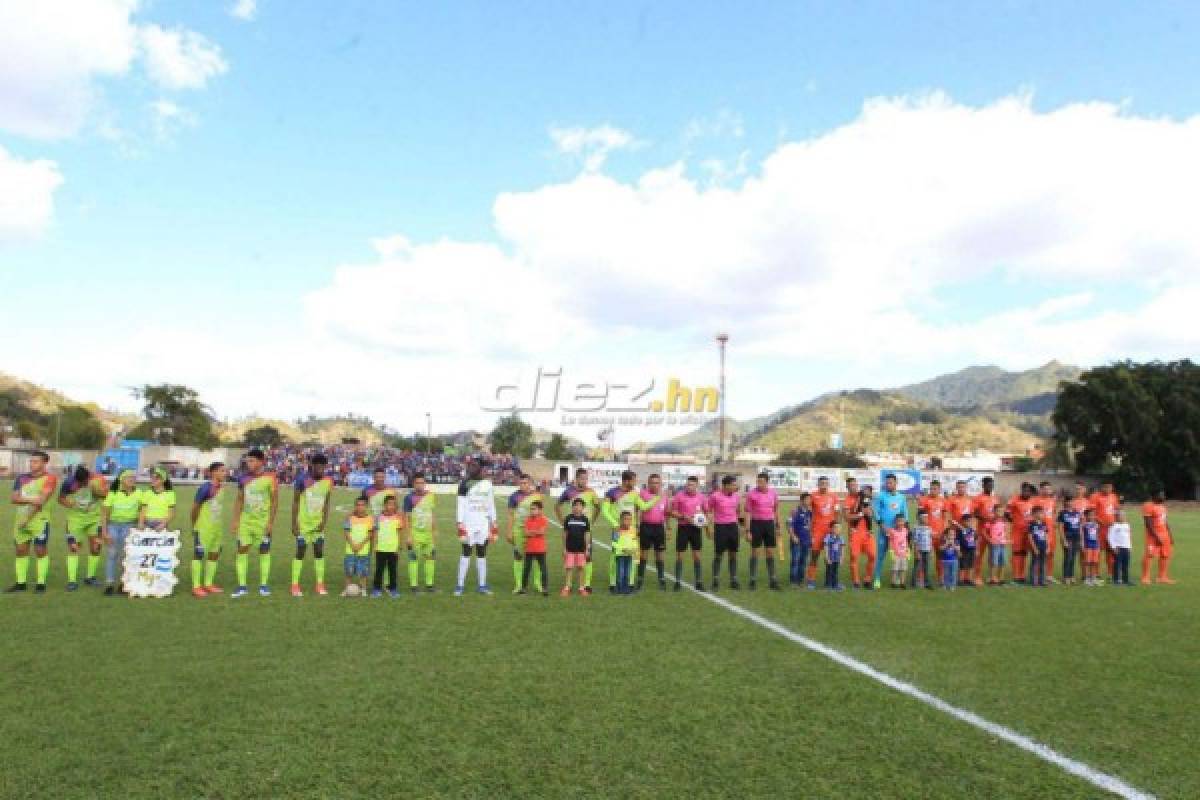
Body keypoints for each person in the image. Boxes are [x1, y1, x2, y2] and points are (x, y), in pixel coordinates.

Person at [231, 449, 279, 598]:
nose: (248, 463)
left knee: (264, 551)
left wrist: (271, 522)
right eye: (247, 460)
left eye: (252, 460)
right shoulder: (243, 478)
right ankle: (242, 586)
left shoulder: (270, 478)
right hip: (246, 522)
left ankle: (263, 586)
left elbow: (274, 501)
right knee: (242, 550)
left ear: (261, 461)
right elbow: (239, 499)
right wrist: (235, 520)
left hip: (263, 522)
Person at [8, 451, 59, 593]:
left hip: (39, 520)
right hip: (20, 520)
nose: (32, 464)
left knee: (40, 550)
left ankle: (41, 584)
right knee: (20, 550)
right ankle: (20, 583)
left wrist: (27, 518)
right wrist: (31, 499)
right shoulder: (21, 478)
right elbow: (13, 498)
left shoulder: (50, 479)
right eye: (31, 461)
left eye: (36, 461)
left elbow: (41, 501)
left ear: (44, 463)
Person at [601, 471, 655, 593]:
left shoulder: (634, 493)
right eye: (633, 480)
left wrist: (657, 498)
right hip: (617, 531)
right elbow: (605, 510)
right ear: (626, 481)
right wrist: (615, 524)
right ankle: (613, 584)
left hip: (632, 531)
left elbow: (644, 507)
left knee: (632, 557)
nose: (635, 483)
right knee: (615, 557)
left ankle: (630, 584)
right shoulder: (612, 492)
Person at [57, 465, 107, 590]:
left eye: (84, 482)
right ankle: (72, 581)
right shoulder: (69, 482)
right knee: (74, 548)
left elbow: (107, 495)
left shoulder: (98, 479)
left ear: (89, 477)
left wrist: (98, 491)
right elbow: (60, 499)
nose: (82, 484)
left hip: (94, 519)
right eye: (80, 482)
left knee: (96, 547)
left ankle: (90, 577)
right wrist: (71, 504)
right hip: (75, 520)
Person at [290, 454, 333, 597]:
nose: (320, 468)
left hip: (318, 525)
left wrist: (324, 522)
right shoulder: (302, 480)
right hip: (303, 524)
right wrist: (294, 523)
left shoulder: (328, 481)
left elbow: (327, 502)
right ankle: (295, 585)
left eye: (323, 466)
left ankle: (320, 584)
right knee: (300, 552)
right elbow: (295, 502)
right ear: (312, 466)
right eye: (317, 465)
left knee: (319, 552)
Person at [556, 468, 601, 594]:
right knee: (570, 558)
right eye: (582, 478)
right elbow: (557, 505)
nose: (584, 481)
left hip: (586, 530)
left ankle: (586, 584)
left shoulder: (591, 492)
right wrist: (562, 521)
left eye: (586, 478)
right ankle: (568, 585)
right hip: (572, 530)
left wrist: (592, 521)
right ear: (576, 479)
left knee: (587, 556)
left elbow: (598, 507)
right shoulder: (569, 491)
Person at [456, 460, 498, 596]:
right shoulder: (464, 484)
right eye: (470, 466)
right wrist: (459, 523)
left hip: (483, 524)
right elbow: (460, 505)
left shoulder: (487, 484)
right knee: (466, 553)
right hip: (468, 524)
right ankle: (460, 585)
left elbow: (491, 504)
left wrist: (494, 523)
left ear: (480, 468)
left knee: (482, 553)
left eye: (474, 466)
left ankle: (482, 585)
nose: (471, 468)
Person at [189, 462, 228, 597]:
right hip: (204, 528)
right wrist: (195, 525)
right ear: (214, 472)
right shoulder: (205, 488)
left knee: (214, 554)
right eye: (222, 471)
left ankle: (208, 583)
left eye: (225, 471)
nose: (225, 473)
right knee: (199, 555)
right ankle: (196, 586)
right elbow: (195, 508)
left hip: (217, 528)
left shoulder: (222, 487)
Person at [100, 469, 141, 596]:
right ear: (121, 480)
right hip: (113, 526)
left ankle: (124, 584)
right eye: (128, 477)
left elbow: (142, 510)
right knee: (112, 554)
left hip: (130, 526)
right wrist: (104, 531)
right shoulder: (113, 493)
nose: (132, 479)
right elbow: (104, 514)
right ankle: (109, 584)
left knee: (126, 556)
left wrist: (140, 524)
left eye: (133, 477)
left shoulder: (139, 493)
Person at [668, 475, 708, 591]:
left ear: (697, 485)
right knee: (680, 556)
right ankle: (677, 582)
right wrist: (684, 516)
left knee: (697, 556)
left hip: (696, 529)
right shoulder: (679, 496)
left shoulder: (702, 497)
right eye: (688, 484)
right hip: (683, 528)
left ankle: (698, 582)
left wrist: (703, 521)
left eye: (692, 485)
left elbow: (707, 512)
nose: (689, 487)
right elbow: (672, 512)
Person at [507, 474, 545, 594]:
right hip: (519, 531)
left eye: (526, 483)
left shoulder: (537, 496)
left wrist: (541, 527)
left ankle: (537, 583)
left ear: (530, 483)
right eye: (521, 483)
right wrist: (509, 531)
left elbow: (541, 513)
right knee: (518, 556)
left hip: (534, 531)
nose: (523, 485)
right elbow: (510, 515)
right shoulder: (513, 496)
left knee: (537, 558)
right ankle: (519, 585)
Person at [743, 472, 782, 590]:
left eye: (761, 482)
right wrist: (748, 530)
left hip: (769, 524)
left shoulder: (773, 494)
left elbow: (776, 510)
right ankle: (752, 580)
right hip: (756, 524)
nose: (759, 484)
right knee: (755, 552)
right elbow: (747, 512)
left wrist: (778, 526)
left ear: (767, 482)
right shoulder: (751, 494)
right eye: (757, 481)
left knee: (770, 552)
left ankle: (773, 580)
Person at [871, 474, 909, 590]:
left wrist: (905, 529)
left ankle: (897, 579)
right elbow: (875, 511)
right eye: (887, 483)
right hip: (884, 531)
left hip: (898, 534)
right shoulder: (880, 496)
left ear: (896, 483)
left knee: (899, 555)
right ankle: (877, 579)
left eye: (891, 482)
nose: (888, 485)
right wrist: (882, 525)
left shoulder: (901, 497)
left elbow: (905, 513)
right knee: (880, 556)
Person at [403, 473, 437, 593]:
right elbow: (406, 518)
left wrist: (434, 531)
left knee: (430, 558)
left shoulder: (431, 496)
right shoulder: (408, 498)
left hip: (428, 534)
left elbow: (431, 514)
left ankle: (430, 585)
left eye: (422, 483)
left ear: (424, 484)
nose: (420, 485)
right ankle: (414, 586)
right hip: (415, 534)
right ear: (413, 484)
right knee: (413, 559)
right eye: (417, 483)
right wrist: (408, 535)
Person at [708, 475, 743, 591]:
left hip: (733, 527)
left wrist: (740, 526)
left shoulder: (737, 497)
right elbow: (709, 511)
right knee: (719, 554)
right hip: (720, 527)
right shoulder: (715, 496)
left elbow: (738, 511)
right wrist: (711, 527)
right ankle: (715, 579)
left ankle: (733, 579)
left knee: (733, 553)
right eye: (733, 484)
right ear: (726, 485)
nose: (735, 486)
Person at [636, 474, 669, 591]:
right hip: (646, 527)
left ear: (660, 484)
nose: (654, 485)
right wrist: (637, 525)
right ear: (648, 483)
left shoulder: (664, 496)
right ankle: (640, 580)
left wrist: (668, 527)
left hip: (659, 528)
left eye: (657, 483)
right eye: (652, 482)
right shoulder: (643, 494)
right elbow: (637, 509)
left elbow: (666, 513)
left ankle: (661, 579)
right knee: (643, 554)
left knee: (660, 554)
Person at [806, 476, 839, 586]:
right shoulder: (813, 495)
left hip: (830, 531)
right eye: (822, 483)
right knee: (814, 555)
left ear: (828, 484)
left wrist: (836, 528)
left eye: (826, 483)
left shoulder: (834, 497)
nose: (824, 485)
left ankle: (829, 581)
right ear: (818, 484)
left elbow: (837, 512)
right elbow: (806, 509)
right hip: (817, 531)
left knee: (830, 556)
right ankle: (811, 580)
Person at [843, 477, 874, 590]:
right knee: (854, 557)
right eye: (851, 485)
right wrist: (861, 514)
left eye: (855, 485)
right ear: (847, 487)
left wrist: (869, 513)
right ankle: (856, 581)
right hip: (854, 533)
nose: (854, 487)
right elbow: (847, 518)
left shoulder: (864, 497)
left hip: (867, 532)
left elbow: (870, 512)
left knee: (872, 555)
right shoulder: (847, 500)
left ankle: (867, 579)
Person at [971, 476, 1001, 586]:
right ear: (983, 485)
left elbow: (998, 512)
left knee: (993, 555)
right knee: (979, 555)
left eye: (992, 485)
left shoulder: (995, 498)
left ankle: (992, 576)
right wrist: (986, 519)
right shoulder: (978, 498)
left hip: (993, 532)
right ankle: (977, 576)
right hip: (981, 531)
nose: (990, 487)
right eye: (988, 485)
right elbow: (975, 513)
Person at [1088, 481, 1121, 580]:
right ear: (1101, 487)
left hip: (1112, 529)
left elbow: (1116, 511)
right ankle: (1096, 573)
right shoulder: (1095, 497)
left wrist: (1117, 522)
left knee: (1111, 551)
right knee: (1098, 551)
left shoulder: (1114, 497)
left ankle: (1111, 573)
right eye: (1106, 487)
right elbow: (1092, 513)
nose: (1108, 489)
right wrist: (1101, 522)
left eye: (1110, 487)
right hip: (1099, 529)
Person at [918, 479, 949, 585]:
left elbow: (945, 518)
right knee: (925, 556)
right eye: (931, 489)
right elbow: (920, 517)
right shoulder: (924, 500)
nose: (933, 490)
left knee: (940, 556)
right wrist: (927, 530)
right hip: (928, 534)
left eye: (935, 489)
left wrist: (944, 531)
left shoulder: (943, 501)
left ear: (939, 489)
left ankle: (941, 577)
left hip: (940, 534)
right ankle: (921, 578)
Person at [1140, 490, 1175, 585]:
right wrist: (1156, 536)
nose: (1163, 497)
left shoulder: (1163, 507)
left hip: (1165, 535)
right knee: (1149, 555)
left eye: (1164, 495)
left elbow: (1165, 521)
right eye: (1161, 495)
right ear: (1154, 496)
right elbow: (1148, 523)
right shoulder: (1148, 506)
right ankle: (1145, 577)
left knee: (1165, 555)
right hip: (1153, 535)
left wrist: (1170, 535)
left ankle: (1162, 577)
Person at [342, 497, 374, 596]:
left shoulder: (370, 519)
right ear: (355, 506)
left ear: (366, 507)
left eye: (363, 505)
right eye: (358, 505)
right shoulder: (349, 518)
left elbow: (370, 535)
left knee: (363, 572)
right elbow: (346, 532)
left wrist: (360, 544)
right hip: (350, 550)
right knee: (349, 571)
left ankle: (363, 589)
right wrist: (352, 544)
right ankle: (346, 589)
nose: (360, 507)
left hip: (363, 550)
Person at [372, 495, 402, 597]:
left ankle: (393, 588)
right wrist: (375, 545)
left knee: (392, 569)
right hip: (381, 548)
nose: (391, 506)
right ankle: (376, 588)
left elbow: (399, 533)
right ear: (384, 505)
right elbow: (375, 532)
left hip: (393, 548)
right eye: (389, 504)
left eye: (393, 504)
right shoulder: (378, 517)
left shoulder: (398, 518)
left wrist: (398, 547)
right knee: (379, 569)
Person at [517, 500, 549, 596]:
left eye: (534, 509)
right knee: (526, 568)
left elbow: (542, 532)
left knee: (543, 568)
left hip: (540, 549)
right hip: (529, 548)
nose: (532, 511)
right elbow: (526, 533)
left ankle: (545, 588)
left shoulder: (543, 519)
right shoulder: (527, 519)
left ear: (540, 510)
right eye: (531, 509)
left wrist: (531, 532)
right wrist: (535, 532)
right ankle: (523, 588)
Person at [561, 498, 592, 596]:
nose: (577, 507)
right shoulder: (568, 518)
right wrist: (564, 547)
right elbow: (565, 533)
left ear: (583, 508)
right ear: (572, 507)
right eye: (575, 505)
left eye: (579, 505)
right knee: (569, 568)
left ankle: (581, 587)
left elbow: (587, 535)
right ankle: (567, 587)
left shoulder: (585, 519)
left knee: (581, 568)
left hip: (581, 549)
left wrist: (587, 549)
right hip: (570, 548)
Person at [1006, 483, 1035, 585]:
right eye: (1024, 491)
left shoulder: (1033, 501)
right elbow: (1006, 513)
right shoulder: (1014, 500)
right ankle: (1015, 576)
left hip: (1029, 532)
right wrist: (1015, 522)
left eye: (1028, 491)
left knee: (1024, 553)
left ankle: (1022, 575)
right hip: (1017, 532)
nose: (1026, 493)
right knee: (1016, 553)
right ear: (1021, 490)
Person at [946, 480, 974, 586]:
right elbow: (948, 516)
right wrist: (953, 526)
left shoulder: (969, 500)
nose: (961, 489)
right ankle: (959, 578)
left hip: (968, 532)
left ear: (966, 487)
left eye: (963, 487)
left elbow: (971, 517)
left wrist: (971, 529)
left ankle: (968, 578)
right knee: (959, 553)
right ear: (956, 488)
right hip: (957, 531)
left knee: (970, 553)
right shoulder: (952, 499)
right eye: (959, 487)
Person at [1036, 482, 1059, 582]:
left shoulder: (1052, 501)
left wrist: (1055, 522)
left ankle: (1049, 575)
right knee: (1039, 553)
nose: (1047, 491)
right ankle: (1037, 575)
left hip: (1051, 532)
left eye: (1049, 489)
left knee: (1051, 553)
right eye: (1044, 489)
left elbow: (1054, 512)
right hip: (1040, 532)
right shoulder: (1035, 500)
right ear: (1040, 489)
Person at [789, 493, 813, 587]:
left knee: (803, 561)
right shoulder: (795, 511)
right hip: (797, 540)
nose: (809, 501)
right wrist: (793, 536)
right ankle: (793, 581)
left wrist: (810, 538)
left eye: (810, 500)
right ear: (801, 500)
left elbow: (810, 526)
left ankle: (801, 580)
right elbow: (789, 524)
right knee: (795, 560)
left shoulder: (809, 512)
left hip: (806, 540)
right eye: (807, 499)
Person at [613, 511, 639, 595]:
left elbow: (635, 541)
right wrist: (623, 549)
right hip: (620, 554)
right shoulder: (617, 530)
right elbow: (614, 543)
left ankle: (626, 587)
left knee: (628, 571)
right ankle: (619, 587)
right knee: (620, 571)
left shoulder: (633, 530)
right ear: (620, 520)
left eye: (629, 519)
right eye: (625, 519)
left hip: (629, 555)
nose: (627, 521)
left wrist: (634, 550)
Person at [1058, 500, 1083, 586]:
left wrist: (1080, 538)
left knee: (1073, 557)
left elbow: (1080, 525)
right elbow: (1060, 527)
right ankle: (1066, 576)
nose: (1070, 503)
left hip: (1076, 537)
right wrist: (1063, 540)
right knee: (1067, 557)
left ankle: (1071, 575)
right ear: (1066, 502)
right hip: (1067, 537)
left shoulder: (1077, 512)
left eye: (1072, 501)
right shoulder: (1062, 513)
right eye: (1068, 501)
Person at [983, 505, 1008, 585]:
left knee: (1002, 561)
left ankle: (1000, 578)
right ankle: (992, 578)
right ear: (994, 512)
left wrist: (1006, 538)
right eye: (998, 511)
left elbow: (1006, 531)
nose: (1000, 513)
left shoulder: (1004, 520)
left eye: (1002, 511)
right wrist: (990, 540)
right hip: (995, 545)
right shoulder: (991, 521)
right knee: (994, 562)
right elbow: (984, 532)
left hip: (1002, 544)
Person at [1108, 510, 1133, 586]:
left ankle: (1125, 580)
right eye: (1120, 516)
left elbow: (1129, 536)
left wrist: (1130, 546)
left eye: (1123, 516)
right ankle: (1116, 580)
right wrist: (1114, 547)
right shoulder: (1114, 526)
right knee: (1117, 564)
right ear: (1117, 517)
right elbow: (1110, 537)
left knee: (1126, 565)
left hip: (1126, 547)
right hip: (1118, 548)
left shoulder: (1127, 525)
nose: (1122, 517)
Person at [911, 511, 935, 589]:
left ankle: (926, 582)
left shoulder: (929, 528)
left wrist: (931, 550)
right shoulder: (916, 528)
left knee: (926, 566)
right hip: (919, 550)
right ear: (919, 518)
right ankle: (913, 582)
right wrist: (916, 552)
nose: (926, 519)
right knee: (917, 566)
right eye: (924, 517)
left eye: (926, 517)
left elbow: (930, 539)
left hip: (927, 550)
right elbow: (915, 541)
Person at [1027, 506, 1049, 587]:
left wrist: (1048, 546)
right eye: (1039, 513)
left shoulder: (1044, 524)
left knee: (1043, 564)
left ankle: (1042, 580)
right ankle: (1033, 581)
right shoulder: (1032, 524)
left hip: (1043, 546)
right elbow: (1030, 537)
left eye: (1042, 513)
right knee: (1034, 563)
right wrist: (1034, 548)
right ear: (1033, 514)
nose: (1041, 514)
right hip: (1036, 547)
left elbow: (1046, 535)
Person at [887, 517, 909, 589]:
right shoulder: (892, 531)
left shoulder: (905, 530)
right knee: (895, 569)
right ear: (895, 522)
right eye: (899, 521)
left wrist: (908, 550)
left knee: (903, 569)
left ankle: (902, 583)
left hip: (904, 553)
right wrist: (891, 551)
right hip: (896, 554)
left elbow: (906, 540)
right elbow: (890, 541)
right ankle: (893, 582)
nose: (900, 523)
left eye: (902, 521)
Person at [957, 515, 979, 586]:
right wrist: (958, 550)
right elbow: (957, 541)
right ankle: (960, 580)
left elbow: (976, 539)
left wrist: (976, 549)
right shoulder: (960, 530)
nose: (969, 523)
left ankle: (968, 579)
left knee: (971, 565)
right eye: (968, 521)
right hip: (963, 550)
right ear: (963, 522)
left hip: (972, 550)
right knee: (962, 565)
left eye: (971, 521)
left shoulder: (973, 530)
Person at [1081, 509, 1102, 586]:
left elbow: (1097, 535)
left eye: (1093, 515)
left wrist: (1098, 545)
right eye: (1090, 515)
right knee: (1087, 562)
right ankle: (1087, 579)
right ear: (1086, 516)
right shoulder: (1084, 525)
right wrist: (1082, 544)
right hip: (1088, 545)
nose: (1092, 516)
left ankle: (1093, 578)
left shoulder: (1096, 524)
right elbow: (1082, 535)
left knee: (1094, 562)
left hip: (1095, 545)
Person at [822, 522, 844, 591]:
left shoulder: (840, 538)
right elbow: (826, 547)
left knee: (835, 572)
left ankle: (835, 584)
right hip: (830, 558)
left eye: (839, 528)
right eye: (836, 528)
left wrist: (841, 557)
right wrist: (827, 557)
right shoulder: (828, 537)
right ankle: (828, 585)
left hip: (836, 558)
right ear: (831, 529)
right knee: (829, 571)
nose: (838, 529)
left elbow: (842, 548)